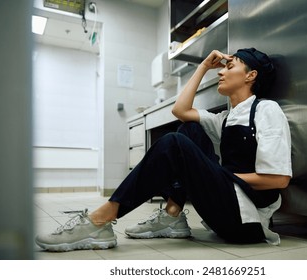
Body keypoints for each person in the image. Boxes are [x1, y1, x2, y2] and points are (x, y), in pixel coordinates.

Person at [35, 48, 292, 252]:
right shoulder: (226, 118)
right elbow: (180, 111)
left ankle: (100, 221)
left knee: (174, 143)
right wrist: (202, 66)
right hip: (226, 206)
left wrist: (214, 175)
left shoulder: (266, 110)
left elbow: (278, 179)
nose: (221, 73)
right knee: (188, 130)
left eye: (230, 66)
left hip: (247, 222)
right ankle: (172, 215)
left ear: (251, 75)